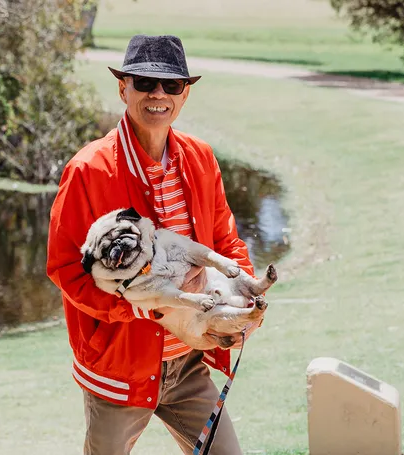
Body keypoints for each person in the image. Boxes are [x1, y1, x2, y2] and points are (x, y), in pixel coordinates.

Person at [46, 34, 265, 455]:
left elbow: (226, 240)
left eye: (171, 85)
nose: (158, 94)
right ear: (123, 87)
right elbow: (65, 270)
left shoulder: (201, 158)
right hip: (119, 368)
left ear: (185, 94)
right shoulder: (88, 170)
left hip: (188, 365)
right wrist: (138, 306)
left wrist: (242, 304)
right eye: (145, 83)